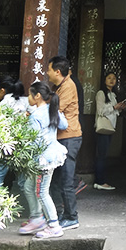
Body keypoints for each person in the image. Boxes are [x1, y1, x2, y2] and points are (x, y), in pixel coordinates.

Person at [19, 81, 69, 239]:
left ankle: (54, 225)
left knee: (41, 192)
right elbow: (64, 125)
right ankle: (36, 218)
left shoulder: (35, 115)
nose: (28, 97)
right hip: (51, 155)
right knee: (28, 186)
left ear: (37, 96)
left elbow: (31, 140)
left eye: (30, 94)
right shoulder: (52, 110)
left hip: (42, 159)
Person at [46, 55, 83, 230]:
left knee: (66, 180)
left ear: (57, 72)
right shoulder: (60, 86)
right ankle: (60, 214)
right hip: (61, 138)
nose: (47, 73)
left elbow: (55, 110)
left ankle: (71, 217)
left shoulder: (68, 86)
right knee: (57, 180)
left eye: (49, 70)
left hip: (69, 138)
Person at [0, 75, 31, 186]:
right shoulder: (25, 101)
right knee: (23, 179)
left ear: (2, 90)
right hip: (24, 143)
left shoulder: (3, 104)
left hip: (8, 143)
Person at [94, 71, 126, 191]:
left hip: (110, 127)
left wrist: (119, 108)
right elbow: (100, 110)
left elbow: (113, 112)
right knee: (101, 155)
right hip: (103, 127)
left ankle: (101, 180)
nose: (112, 80)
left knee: (104, 154)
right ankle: (100, 181)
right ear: (104, 80)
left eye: (114, 78)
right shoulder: (101, 93)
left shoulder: (113, 94)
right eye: (109, 78)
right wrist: (114, 107)